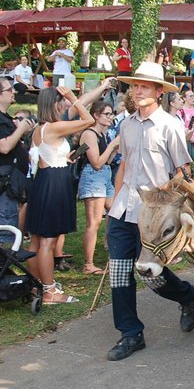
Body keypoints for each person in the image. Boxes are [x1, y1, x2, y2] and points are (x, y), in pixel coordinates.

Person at [107, 62, 194, 362]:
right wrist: (114, 199)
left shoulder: (170, 125)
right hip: (123, 210)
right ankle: (130, 333)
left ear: (159, 92)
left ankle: (187, 295)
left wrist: (170, 205)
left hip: (153, 216)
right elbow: (123, 164)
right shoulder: (126, 124)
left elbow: (183, 172)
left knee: (152, 277)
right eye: (134, 85)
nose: (137, 90)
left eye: (144, 86)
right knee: (120, 274)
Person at [25, 86, 94, 304]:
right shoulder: (54, 127)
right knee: (48, 241)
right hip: (54, 185)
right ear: (53, 103)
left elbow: (47, 156)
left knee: (36, 241)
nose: (65, 104)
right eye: (61, 100)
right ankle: (49, 291)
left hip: (45, 180)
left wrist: (65, 158)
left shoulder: (40, 128)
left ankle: (36, 286)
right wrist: (74, 97)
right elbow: (88, 119)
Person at [0, 76, 35, 243]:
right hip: (2, 182)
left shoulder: (0, 116)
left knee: (7, 228)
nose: (13, 92)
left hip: (10, 181)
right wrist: (21, 129)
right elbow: (3, 147)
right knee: (2, 233)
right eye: (9, 90)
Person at [77, 100, 121, 275]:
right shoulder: (89, 134)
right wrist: (111, 145)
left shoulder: (102, 135)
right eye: (107, 114)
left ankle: (112, 249)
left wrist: (114, 149)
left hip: (105, 175)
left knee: (117, 211)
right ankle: (88, 264)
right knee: (93, 223)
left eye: (111, 114)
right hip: (93, 177)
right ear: (96, 115)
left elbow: (106, 161)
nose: (111, 117)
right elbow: (95, 163)